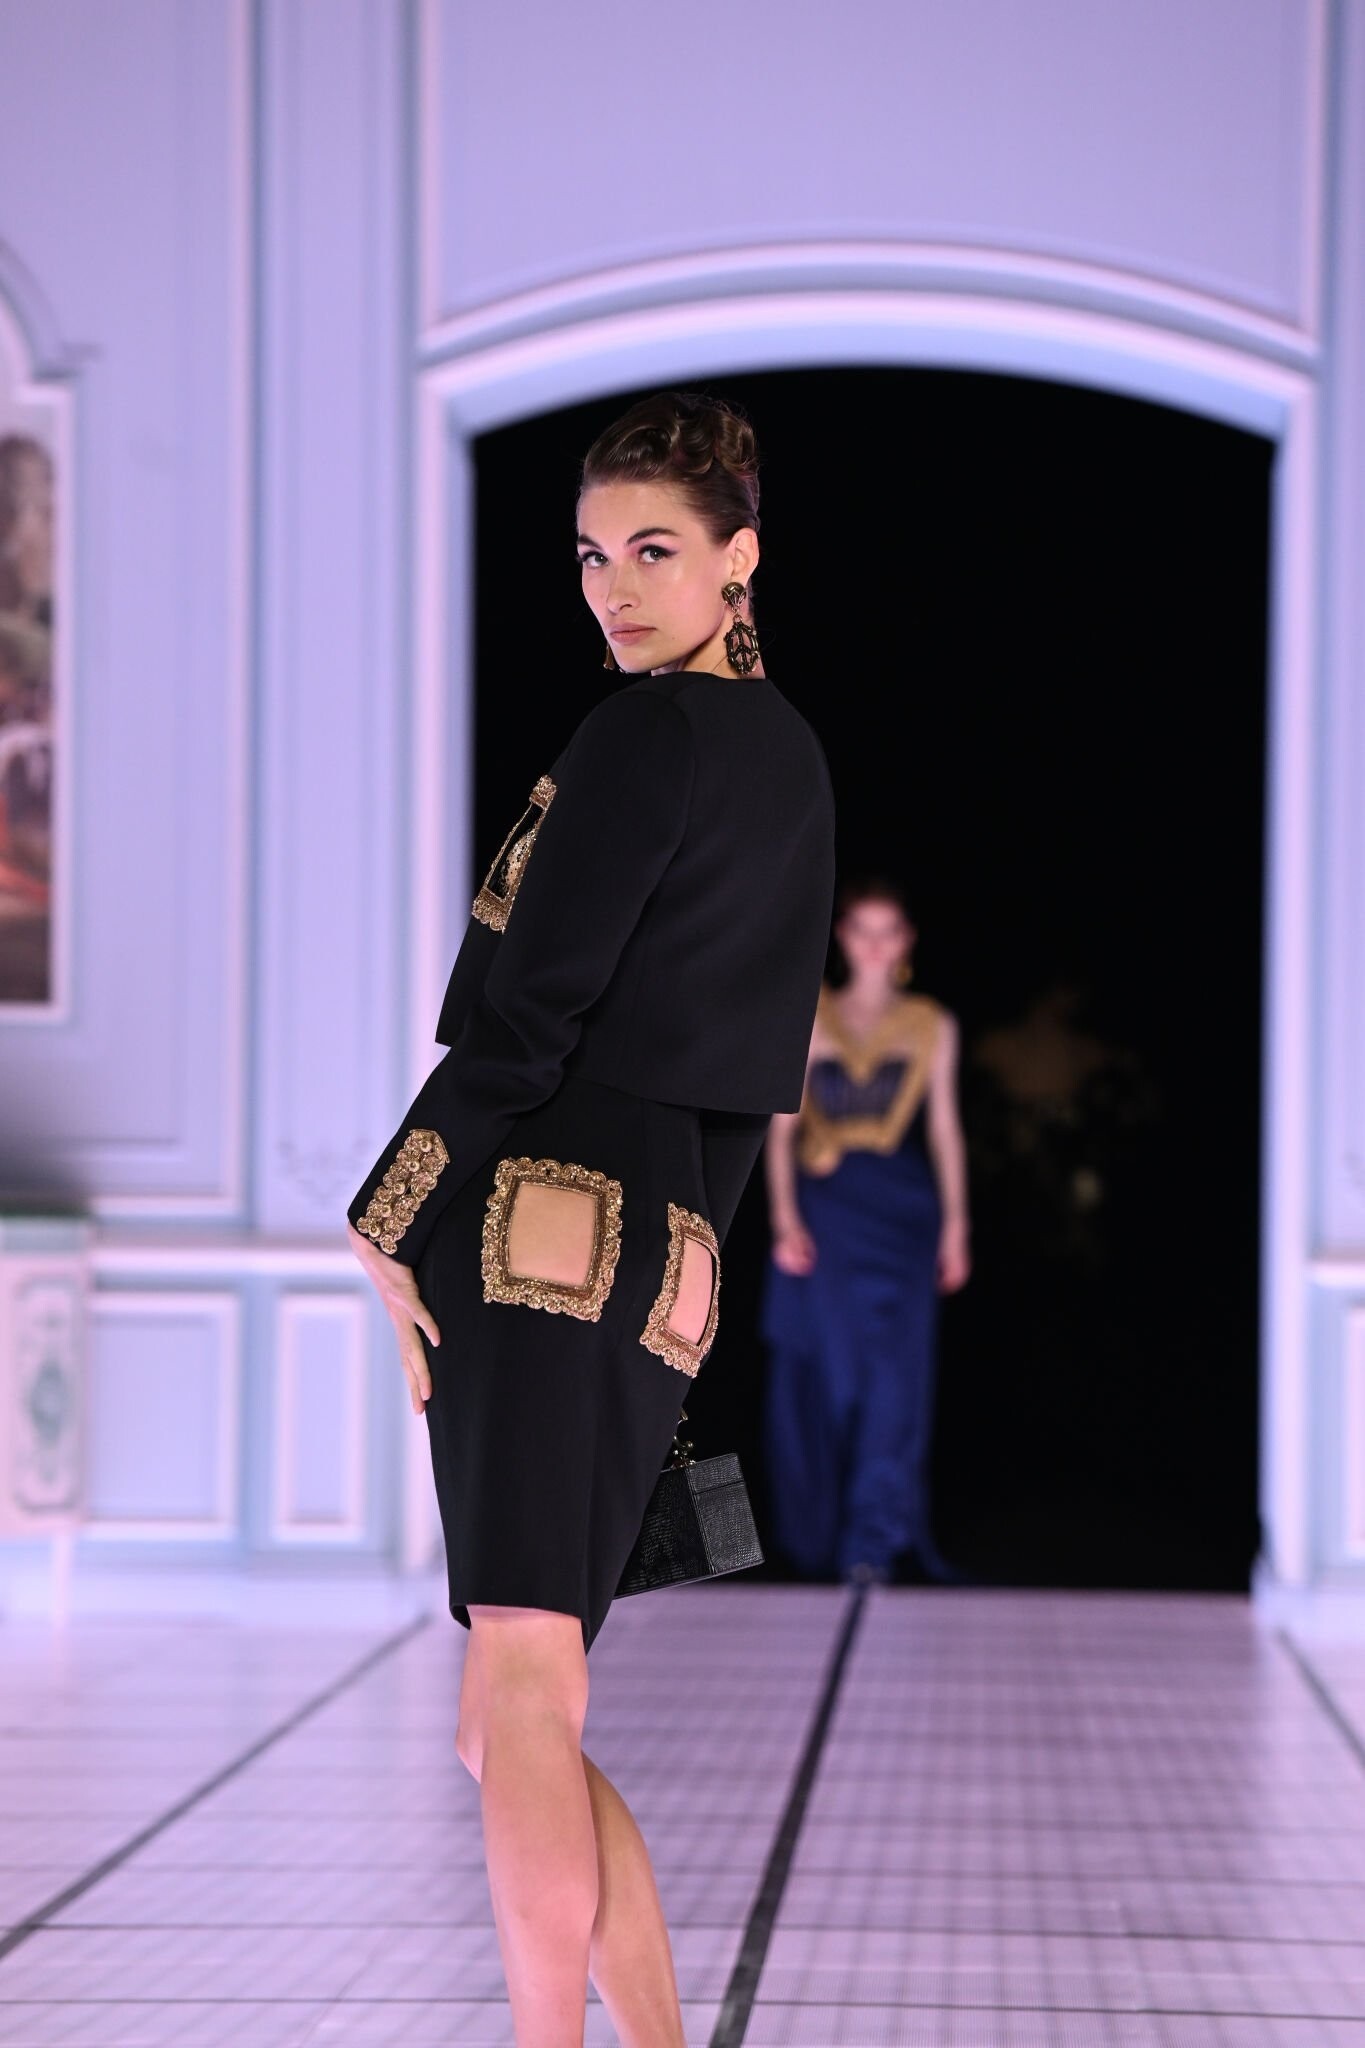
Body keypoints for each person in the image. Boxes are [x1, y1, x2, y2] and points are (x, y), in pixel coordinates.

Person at [346, 391, 834, 2048]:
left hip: (534, 1225)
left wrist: (389, 1206)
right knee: (511, 1719)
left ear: (739, 557)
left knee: (522, 1693)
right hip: (666, 1248)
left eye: (654, 551)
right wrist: (688, 1280)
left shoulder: (642, 735)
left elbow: (528, 1021)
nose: (614, 589)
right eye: (590, 556)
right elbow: (756, 1077)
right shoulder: (791, 763)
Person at [762, 878, 970, 1585]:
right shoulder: (806, 1012)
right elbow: (781, 1127)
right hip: (825, 1207)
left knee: (894, 1380)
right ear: (843, 937)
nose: (876, 945)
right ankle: (815, 1538)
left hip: (902, 1211)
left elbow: (943, 1129)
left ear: (906, 941)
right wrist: (784, 1218)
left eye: (889, 931)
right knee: (825, 1373)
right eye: (863, 930)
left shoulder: (930, 1024)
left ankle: (872, 1541)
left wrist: (957, 1228)